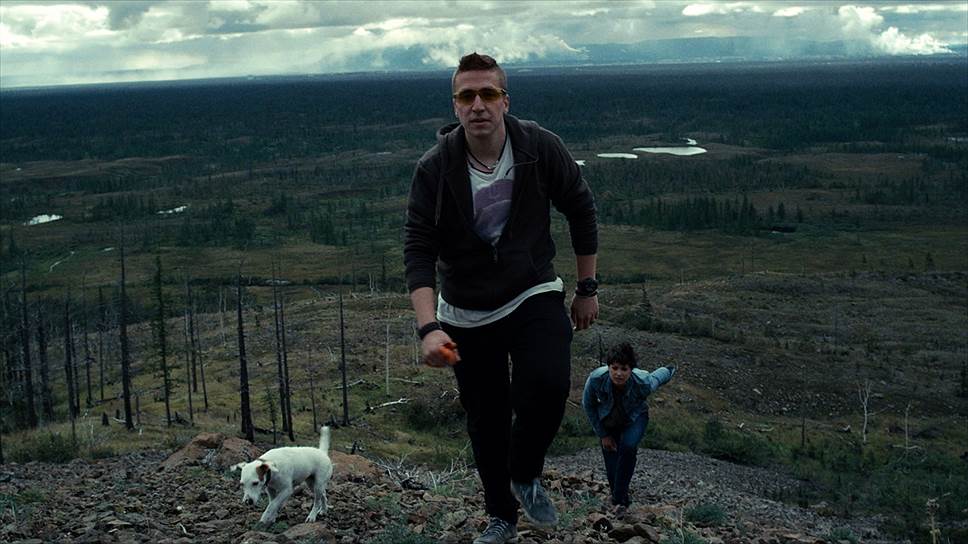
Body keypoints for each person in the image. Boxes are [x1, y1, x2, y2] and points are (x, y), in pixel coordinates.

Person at [404, 52, 599, 544]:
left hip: (532, 289)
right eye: (467, 96)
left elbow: (580, 208)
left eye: (488, 93)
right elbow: (419, 249)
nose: (478, 105)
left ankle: (525, 471)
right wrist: (429, 328)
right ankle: (502, 518)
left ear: (505, 100)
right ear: (455, 105)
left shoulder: (538, 147)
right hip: (465, 310)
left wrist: (586, 288)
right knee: (486, 418)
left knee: (549, 383)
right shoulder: (435, 167)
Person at [582, 343, 675, 515]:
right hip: (609, 421)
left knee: (628, 446)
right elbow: (588, 405)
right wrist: (603, 435)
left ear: (631, 369)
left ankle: (617, 501)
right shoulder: (596, 379)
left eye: (624, 369)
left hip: (635, 417)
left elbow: (658, 377)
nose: (618, 373)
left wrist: (670, 369)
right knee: (612, 463)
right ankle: (621, 498)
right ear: (608, 367)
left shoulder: (643, 382)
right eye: (614, 368)